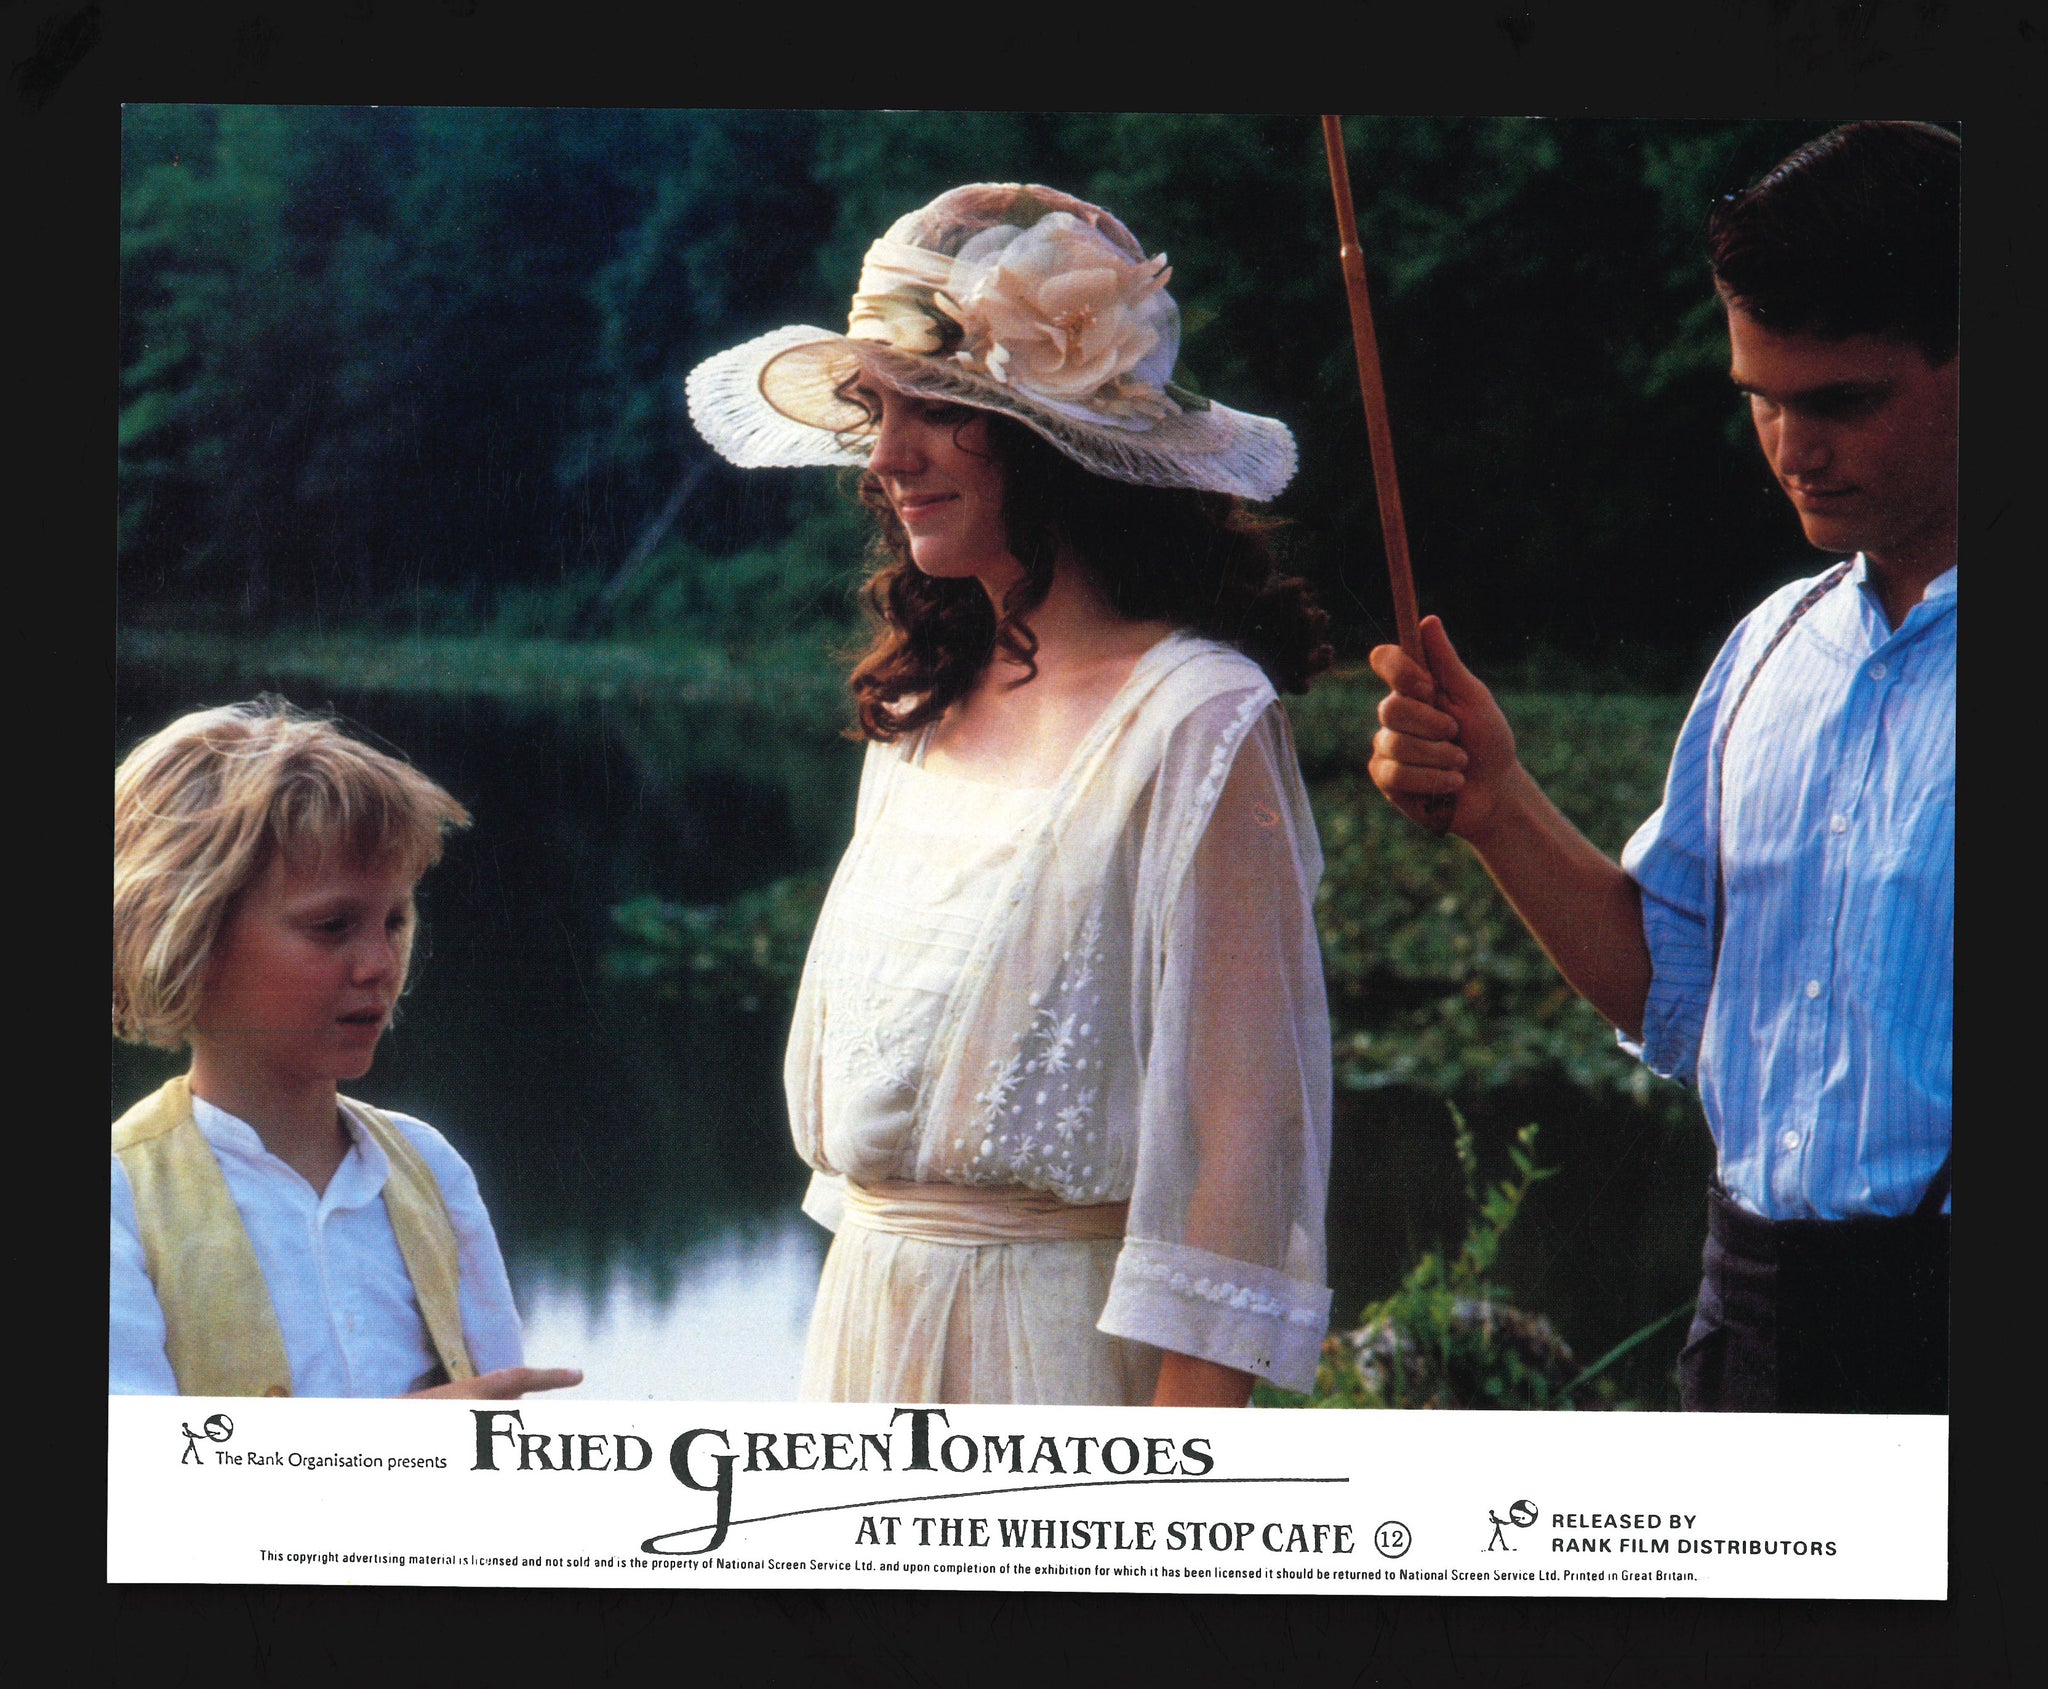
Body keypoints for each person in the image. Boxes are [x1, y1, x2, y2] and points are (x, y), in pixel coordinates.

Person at [686, 182, 1335, 1406]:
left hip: (1057, 1360)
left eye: (936, 409)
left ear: (1049, 435)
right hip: (866, 1336)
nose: (886, 457)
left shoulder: (1196, 719)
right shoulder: (920, 709)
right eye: (877, 409)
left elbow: (1240, 1155)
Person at [1366, 121, 1956, 1412]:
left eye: (1841, 401)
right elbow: (1676, 995)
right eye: (1761, 398)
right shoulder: (1768, 651)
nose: (1792, 449)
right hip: (1744, 1319)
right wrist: (1496, 802)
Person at [112, 698, 582, 1400]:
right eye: (332, 926)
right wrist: (404, 1439)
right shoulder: (122, 1195)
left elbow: (496, 1410)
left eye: (394, 920)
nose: (379, 964)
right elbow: (130, 1461)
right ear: (189, 938)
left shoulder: (428, 1166)